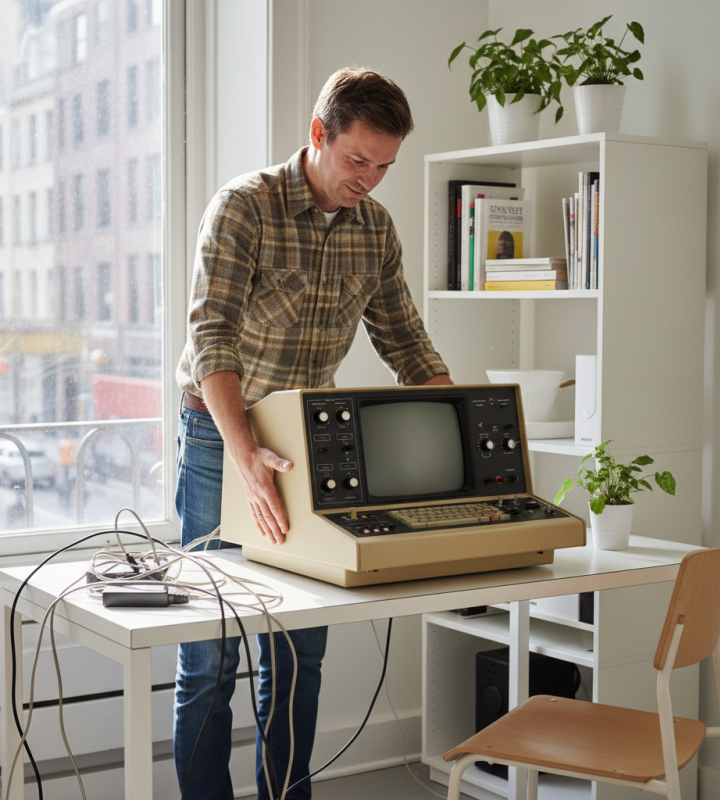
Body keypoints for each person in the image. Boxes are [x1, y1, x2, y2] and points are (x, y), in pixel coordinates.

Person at [173, 66, 452, 800]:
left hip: (304, 439)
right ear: (318, 135)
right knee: (206, 648)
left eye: (385, 166)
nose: (371, 179)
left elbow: (408, 345)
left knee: (299, 647)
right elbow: (212, 342)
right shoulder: (245, 208)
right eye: (358, 160)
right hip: (216, 435)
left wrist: (467, 430)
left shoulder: (376, 228)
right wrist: (245, 456)